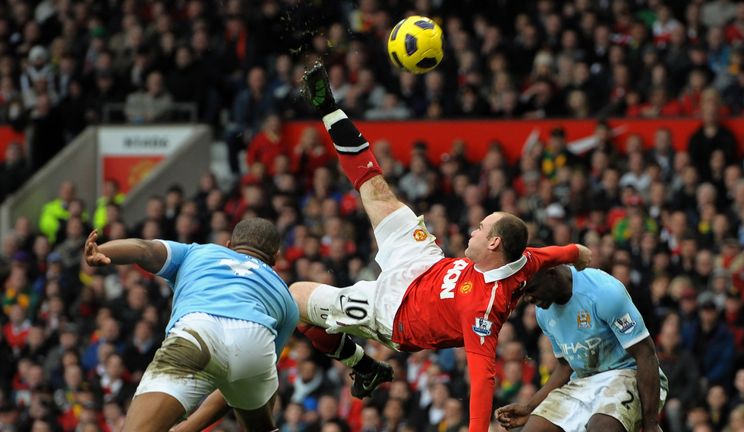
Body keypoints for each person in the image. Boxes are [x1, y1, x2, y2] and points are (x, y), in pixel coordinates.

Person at [288, 63, 592, 432]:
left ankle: (362, 365)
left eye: (480, 228)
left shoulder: (484, 309)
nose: (473, 229)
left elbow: (482, 381)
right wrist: (578, 251)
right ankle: (329, 108)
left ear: (494, 242)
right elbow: (556, 253)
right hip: (426, 263)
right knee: (377, 190)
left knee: (295, 298)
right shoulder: (522, 260)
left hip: (395, 312)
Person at [83, 217, 298, 432]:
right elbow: (241, 378)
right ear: (275, 258)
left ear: (229, 246)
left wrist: (101, 250)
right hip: (255, 342)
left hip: (198, 330)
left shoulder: (198, 252)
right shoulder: (286, 299)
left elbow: (144, 249)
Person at [495, 266, 667, 432]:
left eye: (531, 289)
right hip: (583, 380)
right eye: (523, 293)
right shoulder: (543, 311)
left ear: (551, 274)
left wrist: (651, 424)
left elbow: (645, 354)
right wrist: (530, 407)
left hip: (628, 372)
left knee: (603, 426)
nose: (528, 299)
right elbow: (565, 366)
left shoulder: (603, 291)